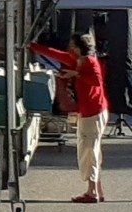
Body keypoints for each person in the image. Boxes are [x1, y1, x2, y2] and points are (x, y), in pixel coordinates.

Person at [30, 33, 109, 202]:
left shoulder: (88, 61)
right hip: (92, 111)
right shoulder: (78, 60)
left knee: (88, 152)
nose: (70, 48)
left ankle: (92, 192)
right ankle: (98, 190)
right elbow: (54, 53)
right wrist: (33, 46)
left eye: (72, 45)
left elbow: (96, 81)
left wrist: (75, 74)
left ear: (79, 48)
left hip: (93, 113)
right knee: (92, 151)